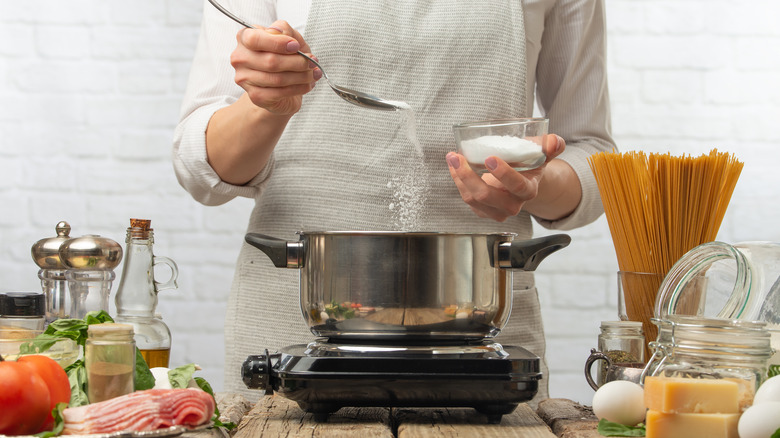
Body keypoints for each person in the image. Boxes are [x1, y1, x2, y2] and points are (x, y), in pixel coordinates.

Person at [173, 0, 615, 403]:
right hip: (293, 323)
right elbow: (202, 171)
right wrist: (266, 105)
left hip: (481, 344)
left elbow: (592, 154)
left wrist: (535, 181)